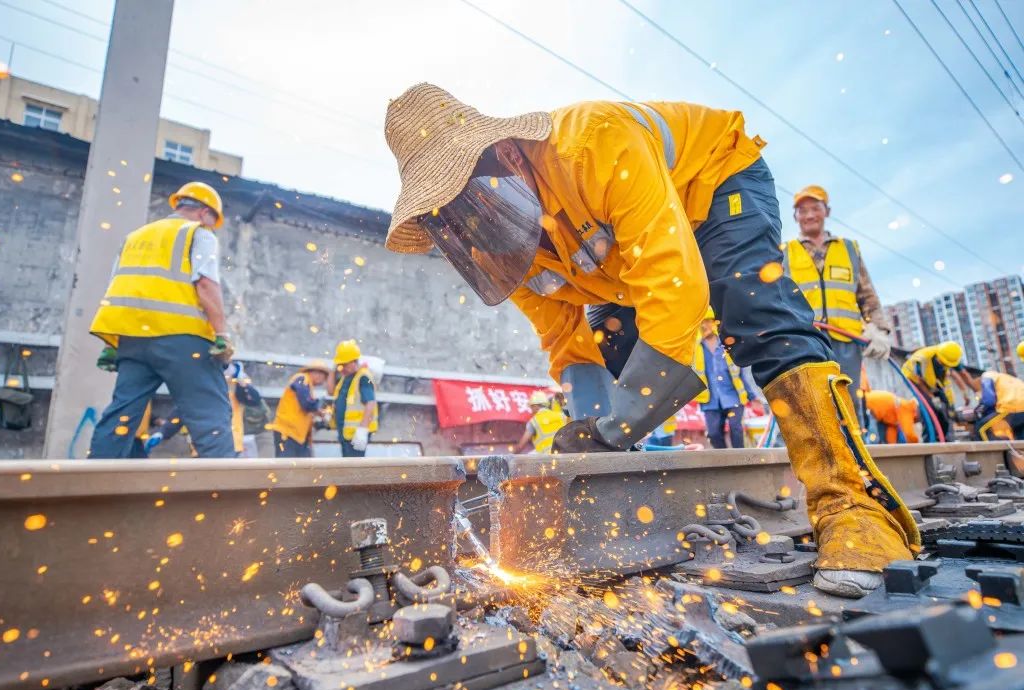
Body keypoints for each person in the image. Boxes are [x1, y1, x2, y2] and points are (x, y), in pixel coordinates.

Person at [381, 84, 919, 598]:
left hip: (713, 184)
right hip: (634, 248)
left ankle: (855, 508)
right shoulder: (503, 245)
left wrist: (617, 427)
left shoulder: (593, 143)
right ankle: (622, 499)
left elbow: (676, 288)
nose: (473, 224)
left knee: (753, 310)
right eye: (457, 218)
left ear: (508, 157)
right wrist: (587, 448)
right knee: (612, 339)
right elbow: (568, 341)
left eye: (470, 202)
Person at [88, 182, 235, 458]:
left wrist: (113, 343)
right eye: (213, 222)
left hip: (133, 341)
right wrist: (222, 334)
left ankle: (90, 487)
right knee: (210, 417)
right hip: (182, 338)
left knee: (121, 417)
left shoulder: (134, 237)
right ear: (204, 212)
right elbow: (205, 285)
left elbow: (117, 288)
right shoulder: (197, 234)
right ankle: (224, 493)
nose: (212, 228)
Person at [784, 185, 893, 408]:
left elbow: (868, 297)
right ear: (795, 217)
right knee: (810, 406)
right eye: (802, 211)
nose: (810, 215)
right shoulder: (784, 252)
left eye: (815, 208)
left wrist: (879, 330)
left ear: (827, 211)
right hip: (804, 342)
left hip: (846, 344)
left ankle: (850, 443)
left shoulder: (849, 249)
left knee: (846, 404)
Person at [145, 362, 259, 456]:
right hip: (202, 445)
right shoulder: (198, 385)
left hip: (230, 444)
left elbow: (254, 400)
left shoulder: (234, 384)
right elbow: (183, 410)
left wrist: (240, 379)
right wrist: (162, 432)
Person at [693, 307, 761, 449]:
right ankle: (723, 462)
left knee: (736, 429)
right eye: (702, 322)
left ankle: (741, 462)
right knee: (713, 434)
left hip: (733, 397)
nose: (705, 326)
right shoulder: (695, 348)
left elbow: (741, 373)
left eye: (708, 322)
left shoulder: (726, 344)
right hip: (710, 400)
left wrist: (752, 396)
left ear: (715, 323)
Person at [901, 341, 963, 442]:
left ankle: (945, 437)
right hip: (912, 379)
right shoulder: (922, 358)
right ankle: (930, 440)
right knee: (928, 407)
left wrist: (950, 405)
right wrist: (932, 398)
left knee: (944, 406)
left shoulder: (946, 358)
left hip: (930, 382)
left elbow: (945, 383)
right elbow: (919, 381)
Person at [328, 340, 378, 458]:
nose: (342, 368)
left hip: (356, 434)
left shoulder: (363, 377)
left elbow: (370, 403)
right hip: (345, 433)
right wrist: (332, 370)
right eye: (340, 365)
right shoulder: (345, 378)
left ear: (354, 362)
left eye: (344, 364)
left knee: (354, 471)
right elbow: (330, 391)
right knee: (347, 469)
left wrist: (362, 429)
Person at [270, 363, 330, 457]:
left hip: (297, 435)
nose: (324, 381)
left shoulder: (308, 386)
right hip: (288, 432)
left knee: (301, 467)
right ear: (317, 373)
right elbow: (306, 403)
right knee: (287, 467)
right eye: (324, 377)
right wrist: (318, 409)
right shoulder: (302, 378)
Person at [957, 370, 1024, 441]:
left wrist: (978, 411)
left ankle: (989, 452)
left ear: (976, 379)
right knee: (1019, 438)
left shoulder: (987, 376)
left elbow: (989, 401)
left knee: (981, 428)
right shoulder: (1006, 378)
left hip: (1010, 408)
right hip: (1019, 409)